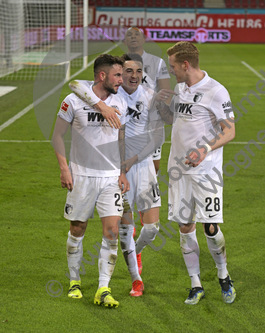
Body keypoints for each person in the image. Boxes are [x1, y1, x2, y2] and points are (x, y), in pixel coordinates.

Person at [68, 53, 164, 297]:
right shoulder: (112, 92)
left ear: (143, 75)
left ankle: (136, 249)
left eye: (138, 71)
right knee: (121, 229)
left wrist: (149, 161)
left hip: (140, 164)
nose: (132, 76)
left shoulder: (150, 95)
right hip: (115, 168)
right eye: (127, 71)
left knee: (152, 228)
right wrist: (100, 105)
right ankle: (135, 279)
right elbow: (76, 84)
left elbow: (158, 135)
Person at [155, 41, 236, 305]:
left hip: (206, 173)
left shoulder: (216, 91)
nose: (172, 71)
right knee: (185, 226)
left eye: (174, 66)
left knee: (210, 227)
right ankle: (195, 283)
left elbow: (230, 130)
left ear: (186, 65)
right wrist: (161, 107)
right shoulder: (181, 88)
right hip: (178, 171)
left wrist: (204, 150)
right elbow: (176, 121)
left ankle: (223, 275)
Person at [52, 54, 129, 308]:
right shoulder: (73, 100)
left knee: (112, 232)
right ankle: (74, 281)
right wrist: (64, 168)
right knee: (77, 229)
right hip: (81, 177)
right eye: (118, 75)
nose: (122, 79)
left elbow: (121, 139)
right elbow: (58, 136)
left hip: (109, 178)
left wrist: (123, 171)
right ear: (102, 75)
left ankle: (103, 288)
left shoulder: (122, 102)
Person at [123, 26, 171, 174]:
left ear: (144, 39)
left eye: (137, 34)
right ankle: (125, 196)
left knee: (153, 167)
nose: (133, 37)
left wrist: (163, 114)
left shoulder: (157, 62)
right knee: (124, 162)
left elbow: (166, 93)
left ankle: (148, 194)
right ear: (124, 41)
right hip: (127, 119)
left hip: (150, 121)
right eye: (129, 34)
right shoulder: (119, 63)